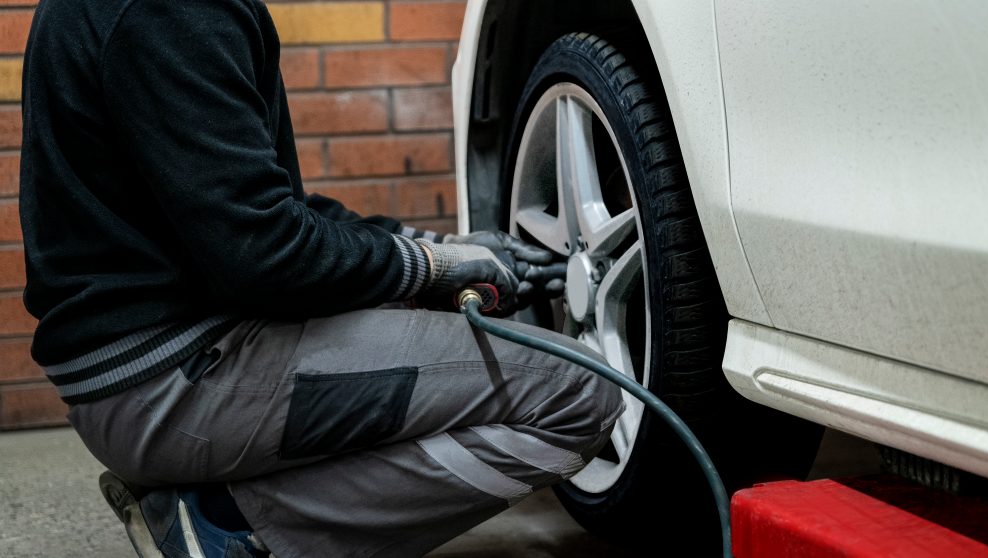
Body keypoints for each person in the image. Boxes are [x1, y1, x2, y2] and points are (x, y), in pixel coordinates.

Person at [18, 0, 624, 556]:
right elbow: (265, 255)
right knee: (578, 393)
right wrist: (433, 270)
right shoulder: (170, 11)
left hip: (154, 367)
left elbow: (271, 213)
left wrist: (441, 249)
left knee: (417, 322)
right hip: (172, 384)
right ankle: (231, 528)